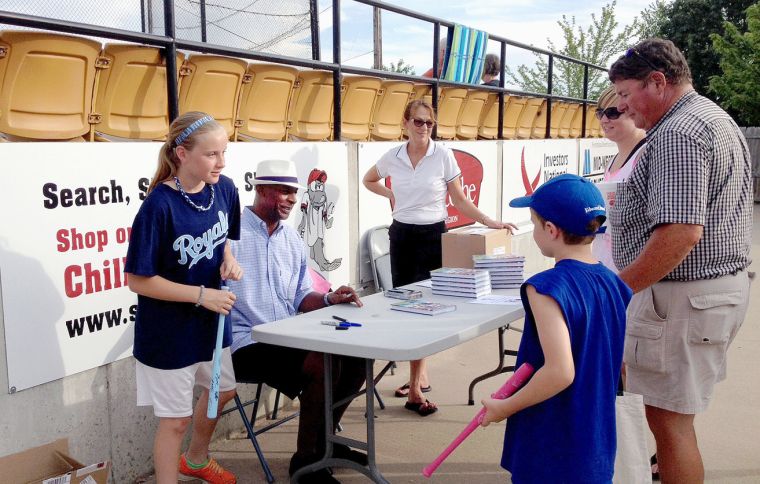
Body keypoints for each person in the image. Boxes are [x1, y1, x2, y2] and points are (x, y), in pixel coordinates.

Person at [609, 38, 753, 484]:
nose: (625, 107)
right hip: (707, 294)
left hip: (683, 301)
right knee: (675, 422)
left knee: (669, 427)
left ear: (658, 81)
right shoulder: (710, 117)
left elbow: (681, 232)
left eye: (627, 94)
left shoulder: (678, 132)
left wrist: (618, 289)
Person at [362, 100, 517, 416]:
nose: (423, 128)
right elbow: (368, 179)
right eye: (418, 122)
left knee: (427, 307)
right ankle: (418, 380)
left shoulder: (443, 155)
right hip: (402, 235)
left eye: (429, 123)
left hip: (433, 235)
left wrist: (490, 222)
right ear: (405, 123)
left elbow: (459, 200)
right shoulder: (392, 157)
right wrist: (391, 194)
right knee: (407, 306)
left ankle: (417, 383)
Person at [480, 174, 633, 483]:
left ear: (550, 230)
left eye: (535, 224)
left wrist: (505, 408)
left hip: (554, 441)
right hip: (595, 438)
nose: (536, 231)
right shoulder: (613, 282)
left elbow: (560, 371)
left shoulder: (546, 287)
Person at [227, 159, 367, 484]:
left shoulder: (291, 240)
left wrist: (331, 299)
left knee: (359, 353)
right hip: (245, 343)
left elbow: (303, 296)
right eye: (284, 191)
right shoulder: (229, 236)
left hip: (288, 336)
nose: (291, 198)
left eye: (294, 192)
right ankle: (306, 465)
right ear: (260, 189)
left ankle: (325, 445)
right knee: (321, 361)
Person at [125, 112, 243, 484]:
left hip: (212, 324)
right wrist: (201, 295)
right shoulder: (158, 206)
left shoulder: (224, 189)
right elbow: (137, 281)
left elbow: (224, 239)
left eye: (223, 152)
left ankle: (195, 460)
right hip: (168, 332)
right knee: (174, 422)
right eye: (211, 154)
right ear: (182, 154)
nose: (221, 162)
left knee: (223, 391)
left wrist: (227, 258)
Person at [591, 85, 646, 272]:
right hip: (607, 266)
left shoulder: (644, 155)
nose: (604, 119)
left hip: (630, 272)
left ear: (633, 112)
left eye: (613, 113)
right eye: (600, 113)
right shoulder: (613, 160)